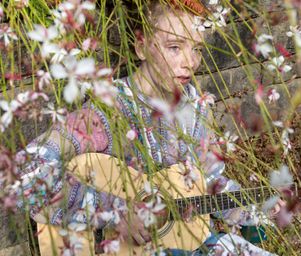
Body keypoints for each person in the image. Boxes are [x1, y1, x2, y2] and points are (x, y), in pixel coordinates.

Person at [14, 0, 277, 255]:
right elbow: (24, 177)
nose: (190, 62)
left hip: (192, 245)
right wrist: (112, 212)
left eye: (197, 49)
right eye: (175, 47)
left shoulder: (195, 107)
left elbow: (208, 182)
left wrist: (256, 209)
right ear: (141, 47)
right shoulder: (108, 110)